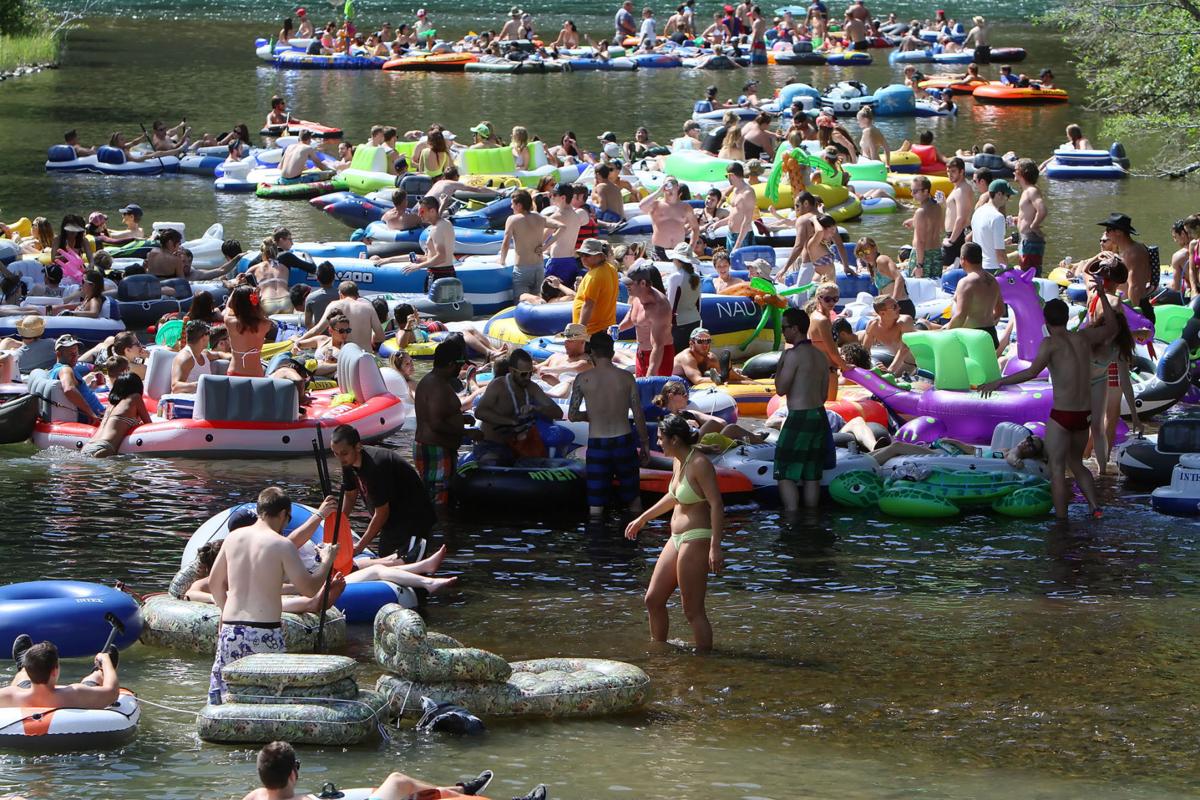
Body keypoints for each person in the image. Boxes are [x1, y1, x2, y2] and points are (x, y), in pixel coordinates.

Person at [979, 296, 1119, 519]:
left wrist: (999, 381)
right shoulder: (1083, 338)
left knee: (1057, 469)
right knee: (1077, 463)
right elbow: (1113, 326)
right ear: (1066, 318)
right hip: (1084, 416)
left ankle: (1061, 521)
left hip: (1062, 414)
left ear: (1046, 320)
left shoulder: (1050, 344)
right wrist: (1102, 294)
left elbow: (1031, 373)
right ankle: (1095, 507)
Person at [206, 487, 338, 703]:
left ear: (260, 510)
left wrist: (224, 611)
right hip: (263, 633)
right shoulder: (282, 544)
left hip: (230, 630)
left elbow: (214, 583)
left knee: (225, 696)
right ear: (285, 514)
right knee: (268, 702)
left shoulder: (233, 538)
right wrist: (326, 560)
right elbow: (310, 589)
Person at [624, 413, 723, 652]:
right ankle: (659, 652)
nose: (658, 443)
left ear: (675, 439)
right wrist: (642, 518)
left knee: (692, 610)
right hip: (676, 538)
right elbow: (675, 495)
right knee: (653, 599)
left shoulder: (700, 464)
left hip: (696, 537)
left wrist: (715, 546)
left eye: (661, 439)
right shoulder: (679, 460)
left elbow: (717, 504)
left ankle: (704, 663)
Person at [239, 741, 530, 800]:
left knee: (400, 790)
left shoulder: (253, 798)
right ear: (292, 774)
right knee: (398, 781)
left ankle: (460, 790)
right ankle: (462, 791)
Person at [568, 332, 649, 518]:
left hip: (597, 444)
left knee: (596, 505)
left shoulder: (582, 379)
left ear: (592, 353)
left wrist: (592, 415)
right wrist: (644, 443)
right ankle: (634, 541)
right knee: (634, 500)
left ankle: (597, 543)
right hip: (624, 441)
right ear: (612, 352)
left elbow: (572, 415)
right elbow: (638, 414)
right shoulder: (627, 377)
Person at [331, 424, 436, 560]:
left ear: (358, 447)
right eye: (335, 453)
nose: (340, 458)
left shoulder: (376, 466)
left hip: (413, 520)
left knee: (407, 564)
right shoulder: (347, 462)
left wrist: (359, 547)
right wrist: (337, 525)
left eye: (344, 453)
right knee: (385, 557)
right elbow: (350, 496)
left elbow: (382, 513)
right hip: (391, 521)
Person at [774, 307, 835, 511]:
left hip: (799, 416)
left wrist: (781, 363)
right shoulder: (820, 356)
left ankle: (791, 521)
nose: (782, 332)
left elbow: (781, 389)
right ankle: (811, 520)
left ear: (796, 328)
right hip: (819, 415)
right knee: (811, 475)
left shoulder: (792, 355)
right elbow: (825, 395)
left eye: (784, 328)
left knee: (783, 471)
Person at [473, 348, 563, 464]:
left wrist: (537, 408)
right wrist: (511, 422)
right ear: (512, 370)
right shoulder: (498, 386)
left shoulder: (531, 387)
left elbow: (558, 412)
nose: (528, 378)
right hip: (492, 445)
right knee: (492, 465)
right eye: (524, 374)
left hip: (520, 447)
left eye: (531, 373)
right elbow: (480, 412)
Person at [414, 340, 473, 509]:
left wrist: (462, 419)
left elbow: (439, 416)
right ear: (450, 364)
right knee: (438, 503)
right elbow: (435, 424)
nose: (460, 369)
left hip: (437, 449)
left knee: (442, 498)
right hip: (435, 450)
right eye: (460, 364)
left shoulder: (436, 382)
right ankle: (439, 534)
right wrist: (467, 434)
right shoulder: (436, 386)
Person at [0, 639, 118, 711]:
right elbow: (112, 693)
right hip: (67, 700)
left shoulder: (10, 694)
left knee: (22, 677)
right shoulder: (75, 693)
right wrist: (106, 660)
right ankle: (101, 671)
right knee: (92, 679)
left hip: (26, 695)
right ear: (55, 671)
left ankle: (23, 668)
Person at [500, 190, 562, 301]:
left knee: (521, 301)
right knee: (538, 300)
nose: (511, 206)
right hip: (538, 266)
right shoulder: (539, 217)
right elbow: (562, 227)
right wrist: (545, 246)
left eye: (512, 204)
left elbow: (505, 243)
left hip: (522, 268)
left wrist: (502, 261)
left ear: (519, 205)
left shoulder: (513, 220)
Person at [946, 242, 1004, 351]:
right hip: (990, 334)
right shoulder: (993, 280)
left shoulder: (966, 282)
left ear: (963, 259)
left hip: (972, 337)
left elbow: (960, 315)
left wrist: (946, 333)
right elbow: (1000, 310)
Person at [621, 265, 673, 377]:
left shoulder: (659, 307)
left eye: (630, 283)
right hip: (641, 354)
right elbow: (632, 319)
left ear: (643, 283)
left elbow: (658, 346)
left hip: (660, 357)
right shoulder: (637, 298)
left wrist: (650, 376)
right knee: (640, 392)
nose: (626, 286)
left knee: (656, 392)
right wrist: (617, 328)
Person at [303, 280, 385, 352]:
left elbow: (317, 330)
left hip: (342, 357)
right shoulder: (368, 307)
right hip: (364, 355)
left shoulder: (333, 305)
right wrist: (373, 340)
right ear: (357, 295)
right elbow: (381, 336)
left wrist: (298, 341)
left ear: (340, 294)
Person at [639, 178, 703, 260]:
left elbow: (695, 228)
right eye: (667, 184)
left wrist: (691, 247)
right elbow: (641, 206)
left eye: (672, 183)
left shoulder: (685, 207)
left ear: (677, 187)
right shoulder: (656, 205)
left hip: (679, 251)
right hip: (660, 250)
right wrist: (659, 191)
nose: (670, 187)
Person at [1098, 213, 1152, 306]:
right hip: (1126, 303)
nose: (1106, 233)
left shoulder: (1133, 253)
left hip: (1133, 306)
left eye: (1108, 230)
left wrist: (1133, 313)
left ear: (1119, 231)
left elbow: (1135, 287)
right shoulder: (1130, 249)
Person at [47, 335, 103, 424]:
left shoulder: (53, 371)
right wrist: (91, 414)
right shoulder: (65, 369)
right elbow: (69, 389)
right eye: (70, 354)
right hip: (96, 417)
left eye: (76, 353)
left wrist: (90, 388)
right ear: (58, 354)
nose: (75, 357)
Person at [571, 238, 620, 335]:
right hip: (605, 328)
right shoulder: (610, 268)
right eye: (581, 255)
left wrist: (579, 332)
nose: (583, 258)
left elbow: (588, 305)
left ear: (600, 256)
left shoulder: (594, 276)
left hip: (592, 332)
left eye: (587, 255)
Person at [861, 295, 917, 374]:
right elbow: (865, 350)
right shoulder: (873, 325)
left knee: (924, 325)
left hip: (914, 363)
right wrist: (871, 366)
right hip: (901, 362)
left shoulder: (904, 321)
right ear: (882, 313)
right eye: (894, 307)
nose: (899, 308)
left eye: (897, 304)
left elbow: (904, 349)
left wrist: (890, 370)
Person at [673, 328, 750, 385]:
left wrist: (748, 380)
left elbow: (726, 376)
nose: (705, 345)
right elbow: (698, 380)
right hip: (673, 383)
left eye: (708, 341)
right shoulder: (687, 358)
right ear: (691, 343)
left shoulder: (711, 358)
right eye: (700, 341)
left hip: (693, 381)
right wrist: (720, 380)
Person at [223, 286, 271, 377]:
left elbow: (228, 306)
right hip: (256, 373)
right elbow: (261, 313)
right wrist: (256, 304)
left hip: (234, 371)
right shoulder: (265, 324)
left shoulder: (230, 322)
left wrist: (235, 289)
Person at [970, 179, 1012, 271]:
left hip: (978, 267)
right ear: (999, 194)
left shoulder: (977, 212)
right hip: (993, 268)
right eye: (1007, 196)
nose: (1008, 200)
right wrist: (1008, 271)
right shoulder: (998, 217)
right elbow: (999, 252)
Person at [1014, 158, 1047, 275]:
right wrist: (1018, 220)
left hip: (1031, 240)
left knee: (1029, 275)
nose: (1013, 172)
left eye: (1015, 170)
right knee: (1026, 273)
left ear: (1022, 172)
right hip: (1026, 239)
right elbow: (1030, 213)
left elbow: (1042, 210)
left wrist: (1033, 226)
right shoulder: (1027, 191)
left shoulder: (1032, 190)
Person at [908, 175, 945, 279]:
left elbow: (920, 241)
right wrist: (914, 220)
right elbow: (941, 227)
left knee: (917, 290)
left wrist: (919, 265)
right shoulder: (937, 207)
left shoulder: (920, 212)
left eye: (915, 191)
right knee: (934, 289)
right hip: (937, 254)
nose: (912, 194)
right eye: (911, 190)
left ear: (925, 191)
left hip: (923, 257)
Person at [939, 157, 972, 270]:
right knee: (949, 269)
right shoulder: (957, 189)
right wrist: (944, 202)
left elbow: (961, 218)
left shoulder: (961, 190)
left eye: (953, 171)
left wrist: (951, 241)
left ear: (962, 171)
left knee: (947, 270)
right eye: (948, 171)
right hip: (955, 234)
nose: (949, 174)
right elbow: (953, 211)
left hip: (957, 236)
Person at [723, 161, 759, 252]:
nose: (727, 179)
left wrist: (738, 245)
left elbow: (747, 221)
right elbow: (734, 215)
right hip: (731, 235)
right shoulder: (735, 190)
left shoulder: (748, 193)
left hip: (743, 238)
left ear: (731, 175)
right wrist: (717, 224)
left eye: (726, 176)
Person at [170, 321, 215, 393]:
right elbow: (175, 387)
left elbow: (220, 354)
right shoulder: (185, 358)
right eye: (208, 333)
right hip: (187, 402)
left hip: (202, 400)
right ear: (203, 338)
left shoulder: (205, 354)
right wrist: (201, 385)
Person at [304, 262, 338, 328]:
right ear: (334, 277)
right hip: (340, 336)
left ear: (317, 279)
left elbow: (307, 323)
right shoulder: (342, 296)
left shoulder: (311, 298)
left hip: (319, 336)